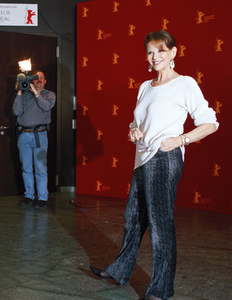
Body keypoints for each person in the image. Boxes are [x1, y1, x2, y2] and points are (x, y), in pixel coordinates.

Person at [89, 31, 219, 300]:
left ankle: (161, 289)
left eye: (161, 50)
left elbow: (210, 122)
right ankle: (120, 271)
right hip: (142, 157)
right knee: (133, 218)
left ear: (173, 53)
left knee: (161, 225)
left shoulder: (185, 84)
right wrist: (134, 132)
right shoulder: (145, 87)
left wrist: (181, 139)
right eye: (150, 51)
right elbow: (137, 123)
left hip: (165, 158)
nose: (155, 56)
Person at [12, 71, 56, 208]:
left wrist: (36, 93)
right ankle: (29, 195)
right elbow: (16, 111)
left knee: (40, 167)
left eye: (41, 78)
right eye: (36, 78)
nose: (38, 80)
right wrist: (20, 91)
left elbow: (46, 106)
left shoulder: (49, 94)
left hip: (40, 135)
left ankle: (42, 197)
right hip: (24, 135)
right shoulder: (25, 94)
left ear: (45, 81)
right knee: (26, 167)